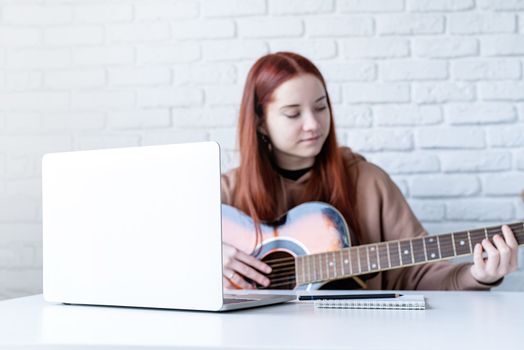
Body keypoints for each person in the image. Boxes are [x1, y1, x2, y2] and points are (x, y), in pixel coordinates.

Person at [220, 52, 519, 291]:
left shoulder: (368, 181)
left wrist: (478, 276)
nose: (313, 124)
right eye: (293, 113)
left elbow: (417, 273)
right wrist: (204, 261)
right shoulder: (224, 192)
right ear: (260, 122)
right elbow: (174, 254)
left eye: (321, 107)